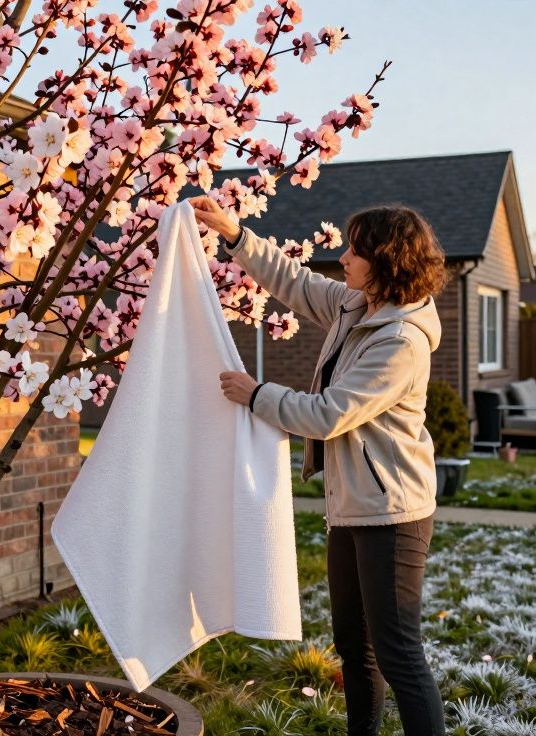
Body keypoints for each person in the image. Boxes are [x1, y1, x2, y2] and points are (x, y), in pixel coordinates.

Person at [190, 195, 449, 736]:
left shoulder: (400, 341)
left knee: (398, 654)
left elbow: (330, 415)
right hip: (352, 507)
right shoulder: (359, 305)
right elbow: (296, 282)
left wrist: (256, 393)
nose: (344, 258)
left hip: (392, 514)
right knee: (356, 650)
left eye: (355, 251)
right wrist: (235, 234)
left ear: (386, 262)